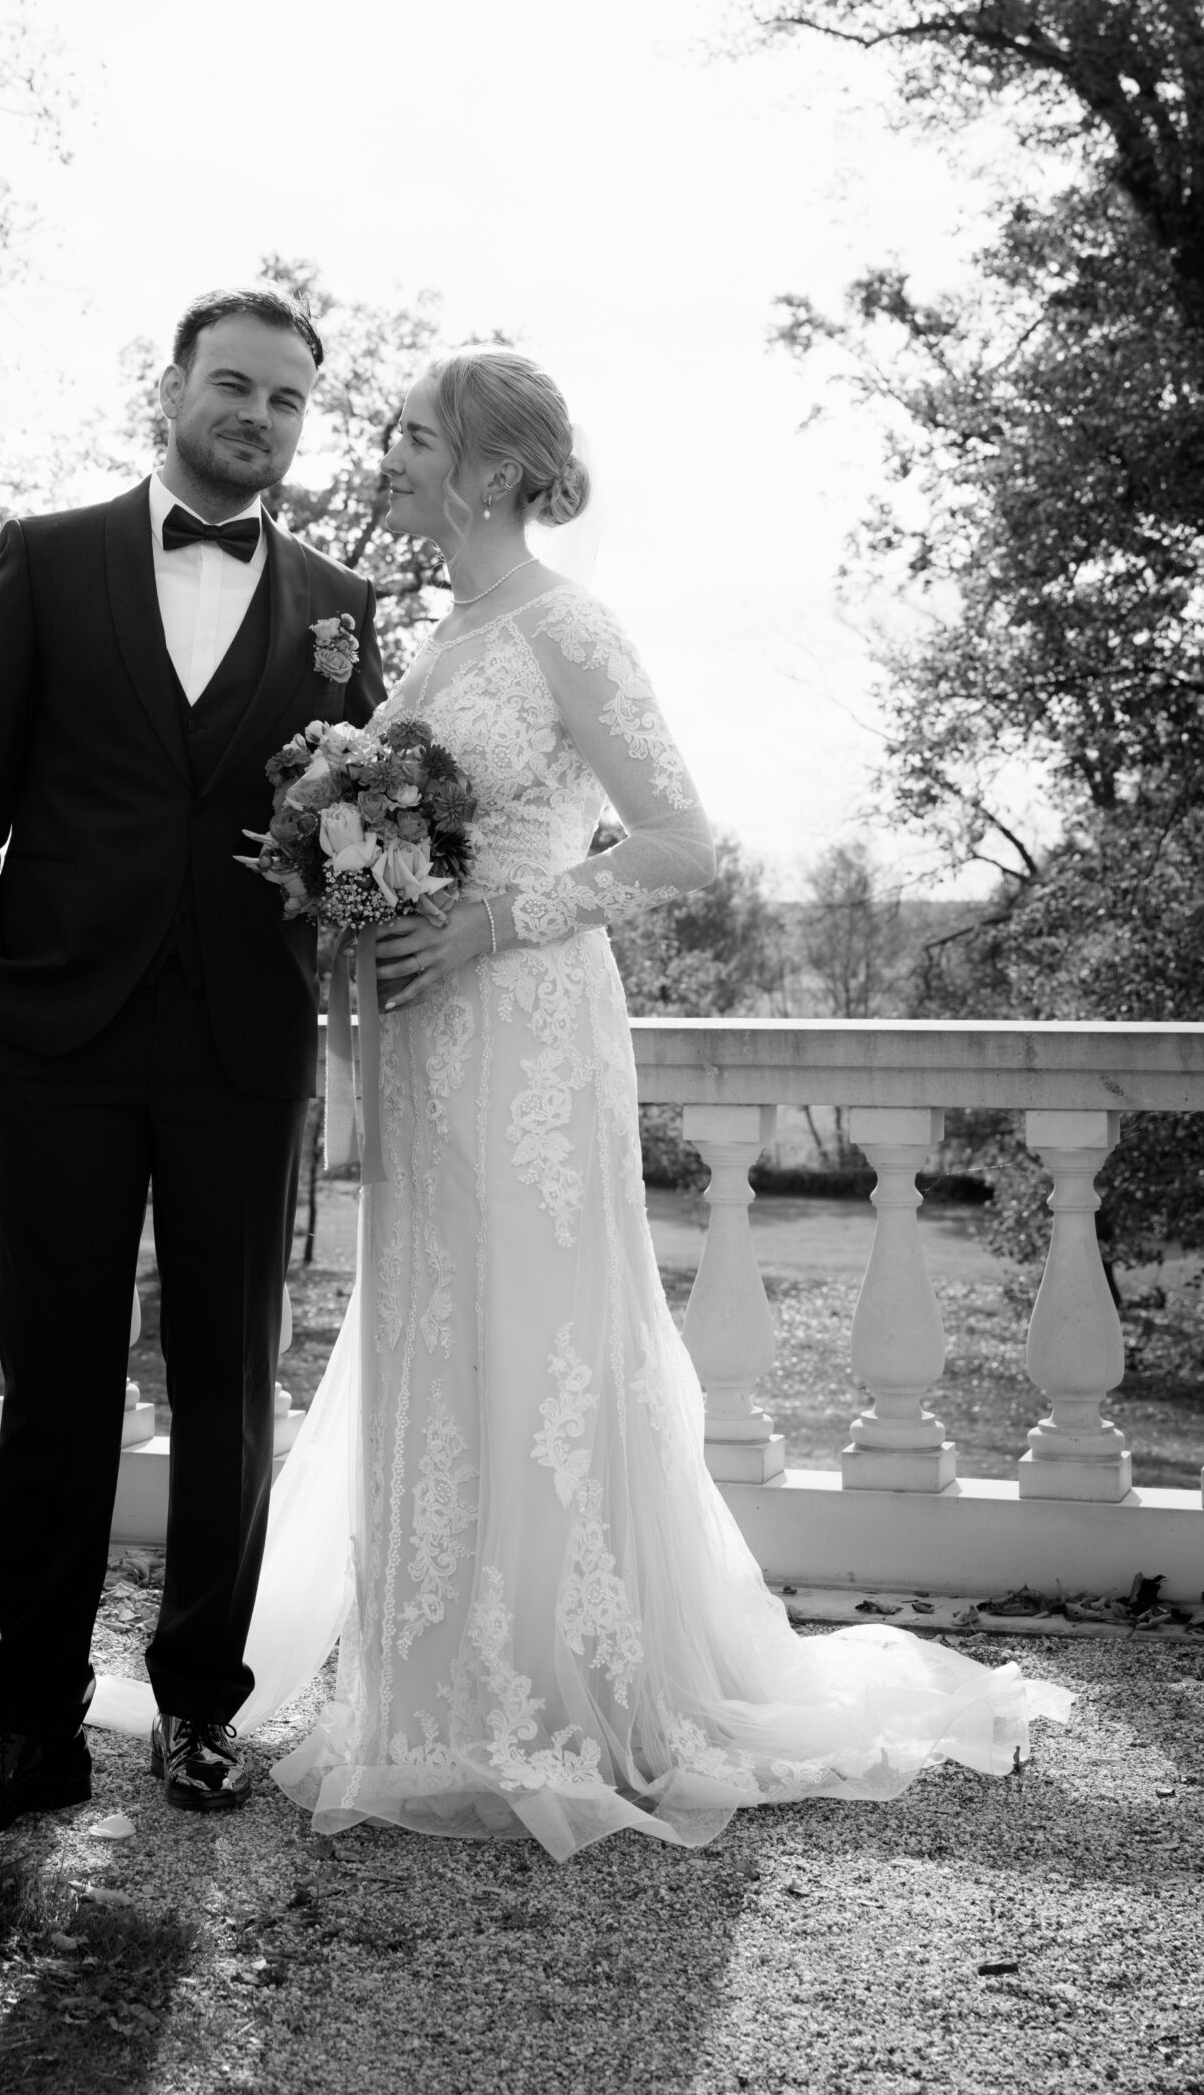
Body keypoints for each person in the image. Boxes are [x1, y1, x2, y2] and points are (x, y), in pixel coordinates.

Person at [255, 344, 1069, 1860]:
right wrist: (357, 887)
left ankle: (568, 1693)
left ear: (495, 471)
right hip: (427, 1041)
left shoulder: (566, 624)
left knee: (540, 1329)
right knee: (441, 1324)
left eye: (417, 436)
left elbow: (681, 842)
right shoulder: (438, 639)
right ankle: (435, 1688)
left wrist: (495, 922)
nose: (390, 454)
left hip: (528, 1024)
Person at [0, 284, 383, 1841]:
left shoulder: (342, 604)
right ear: (172, 391)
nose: (259, 417)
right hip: (59, 1030)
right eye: (234, 386)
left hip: (247, 1038)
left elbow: (367, 824)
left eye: (287, 399)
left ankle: (198, 1712)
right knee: (57, 1380)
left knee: (230, 1387)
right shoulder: (47, 559)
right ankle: (30, 1727)